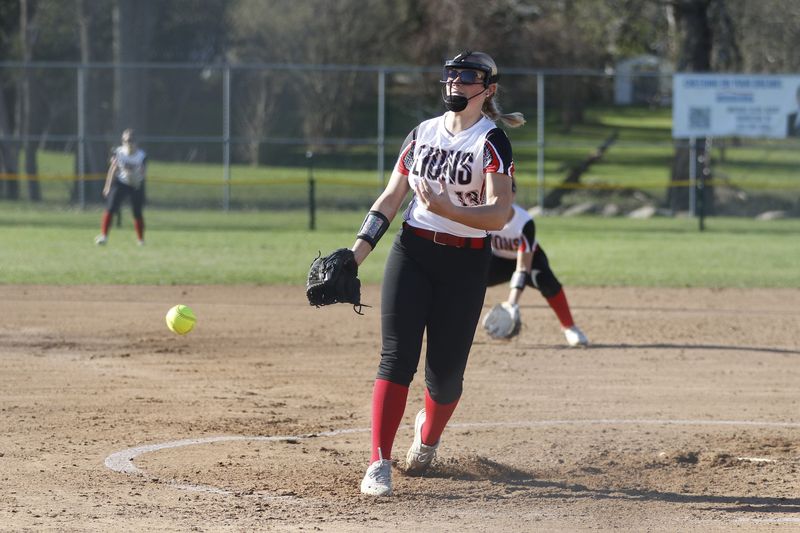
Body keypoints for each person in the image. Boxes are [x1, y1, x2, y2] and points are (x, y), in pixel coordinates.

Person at [344, 50, 525, 497]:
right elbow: (391, 197)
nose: (456, 84)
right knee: (396, 359)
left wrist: (446, 207)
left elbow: (500, 213)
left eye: (468, 78)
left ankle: (427, 438)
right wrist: (355, 256)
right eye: (451, 76)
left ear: (489, 90)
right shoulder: (421, 133)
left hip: (466, 264)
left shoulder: (491, 140)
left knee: (445, 379)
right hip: (413, 250)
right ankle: (379, 462)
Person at [487, 203, 588, 346]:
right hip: (498, 260)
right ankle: (459, 329)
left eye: (504, 192)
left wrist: (511, 303)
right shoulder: (484, 216)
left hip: (530, 259)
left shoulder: (523, 221)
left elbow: (523, 267)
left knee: (547, 282)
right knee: (469, 280)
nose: (497, 197)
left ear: (512, 195)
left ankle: (570, 327)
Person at [94, 128, 147, 246]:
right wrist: (107, 187)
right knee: (110, 207)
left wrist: (136, 176)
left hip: (135, 184)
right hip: (121, 182)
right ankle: (104, 236)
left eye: (131, 140)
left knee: (137, 212)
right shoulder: (119, 152)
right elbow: (113, 169)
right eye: (126, 140)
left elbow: (143, 173)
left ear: (136, 142)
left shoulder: (141, 155)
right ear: (122, 141)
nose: (129, 143)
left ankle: (141, 240)